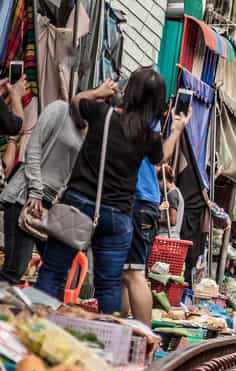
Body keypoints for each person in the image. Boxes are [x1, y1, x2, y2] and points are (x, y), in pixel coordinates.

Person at [36, 68, 178, 315]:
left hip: (78, 204)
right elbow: (160, 158)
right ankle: (110, 344)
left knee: (54, 271)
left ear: (130, 90)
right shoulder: (149, 137)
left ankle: (40, 328)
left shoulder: (103, 113)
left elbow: (77, 100)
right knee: (109, 287)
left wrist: (100, 91)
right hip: (117, 216)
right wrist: (176, 131)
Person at [0, 101, 87, 283]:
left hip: (52, 205)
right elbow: (34, 147)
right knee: (15, 268)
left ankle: (42, 308)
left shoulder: (92, 130)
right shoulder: (60, 110)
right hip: (25, 197)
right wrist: (35, 191)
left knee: (55, 268)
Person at [121, 111, 187, 324]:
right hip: (138, 203)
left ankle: (143, 334)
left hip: (135, 201)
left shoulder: (142, 121)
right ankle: (121, 332)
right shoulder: (149, 122)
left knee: (131, 274)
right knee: (126, 275)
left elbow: (160, 156)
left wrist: (176, 131)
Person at [157, 164, 184, 238]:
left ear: (163, 180)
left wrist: (156, 220)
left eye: (158, 182)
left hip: (167, 236)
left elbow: (172, 221)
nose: (158, 186)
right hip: (173, 236)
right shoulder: (176, 192)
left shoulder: (171, 194)